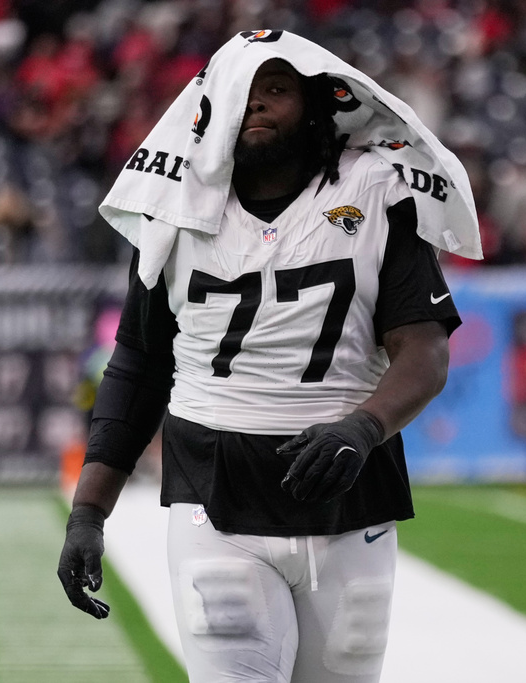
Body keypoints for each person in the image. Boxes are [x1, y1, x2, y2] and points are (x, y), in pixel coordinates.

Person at [57, 31, 471, 683]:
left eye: (276, 88)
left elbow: (425, 349)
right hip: (215, 488)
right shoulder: (173, 207)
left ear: (314, 104)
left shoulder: (377, 191)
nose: (256, 104)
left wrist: (362, 427)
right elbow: (138, 366)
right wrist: (89, 510)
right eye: (243, 91)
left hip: (348, 492)